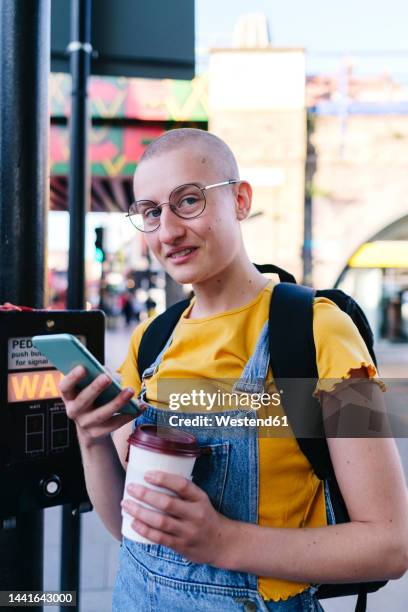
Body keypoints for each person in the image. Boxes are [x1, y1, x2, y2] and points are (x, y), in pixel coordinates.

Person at [59, 129, 408, 611]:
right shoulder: (150, 341)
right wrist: (91, 436)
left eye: (188, 201)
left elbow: (389, 545)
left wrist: (222, 541)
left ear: (240, 200)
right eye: (152, 212)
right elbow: (130, 529)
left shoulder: (322, 332)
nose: (167, 232)